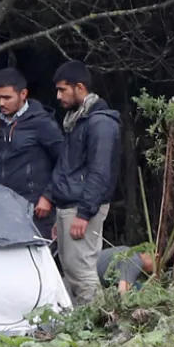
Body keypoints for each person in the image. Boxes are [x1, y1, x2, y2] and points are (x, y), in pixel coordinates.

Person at [50, 60, 122, 305]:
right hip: (70, 205)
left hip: (82, 206)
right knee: (71, 269)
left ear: (79, 87)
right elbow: (68, 168)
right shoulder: (77, 120)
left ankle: (97, 323)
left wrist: (84, 213)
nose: (58, 96)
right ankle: (81, 325)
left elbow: (100, 173)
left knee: (81, 270)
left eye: (63, 89)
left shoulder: (100, 123)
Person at [0, 68, 64, 238]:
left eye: (7, 97)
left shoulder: (42, 122)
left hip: (36, 208)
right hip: (3, 206)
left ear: (23, 94)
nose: (1, 103)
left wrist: (48, 196)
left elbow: (63, 160)